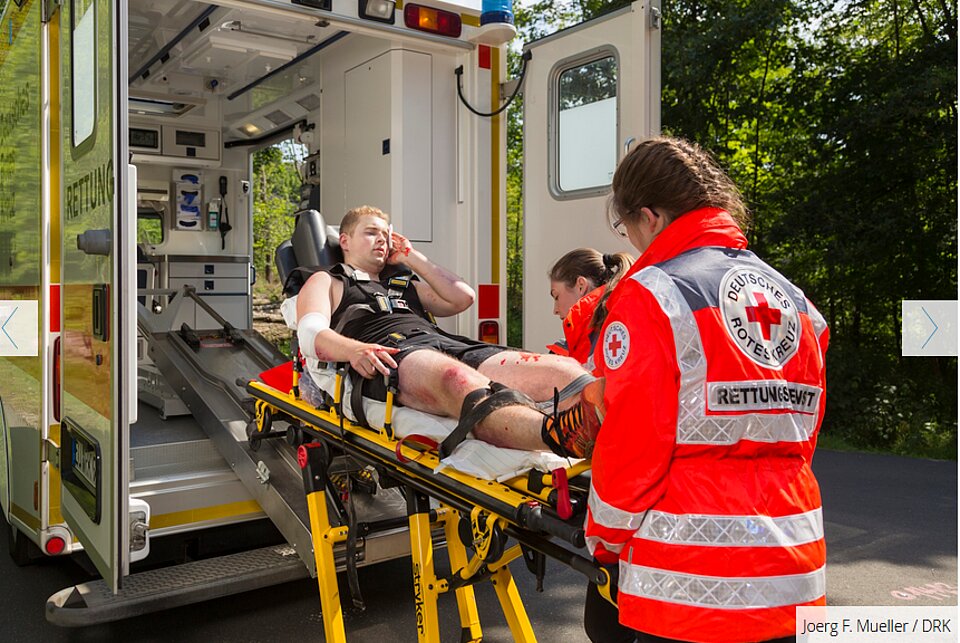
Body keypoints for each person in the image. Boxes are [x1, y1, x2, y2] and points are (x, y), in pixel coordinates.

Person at [584, 137, 828, 643]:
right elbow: (799, 438)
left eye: (627, 228)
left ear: (649, 216)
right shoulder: (797, 302)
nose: (632, 243)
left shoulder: (653, 294)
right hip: (793, 574)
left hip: (689, 587)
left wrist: (604, 537)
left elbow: (633, 447)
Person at [295, 205, 603, 458]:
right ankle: (560, 434)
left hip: (443, 344)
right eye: (371, 232)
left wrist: (409, 257)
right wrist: (353, 350)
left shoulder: (401, 284)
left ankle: (614, 425)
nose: (382, 240)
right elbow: (310, 332)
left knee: (563, 369)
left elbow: (462, 297)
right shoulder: (328, 281)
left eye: (386, 235)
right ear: (344, 241)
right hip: (391, 353)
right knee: (456, 380)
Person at [547, 248, 633, 372]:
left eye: (556, 297)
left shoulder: (611, 333)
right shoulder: (614, 325)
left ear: (581, 285)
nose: (555, 310)